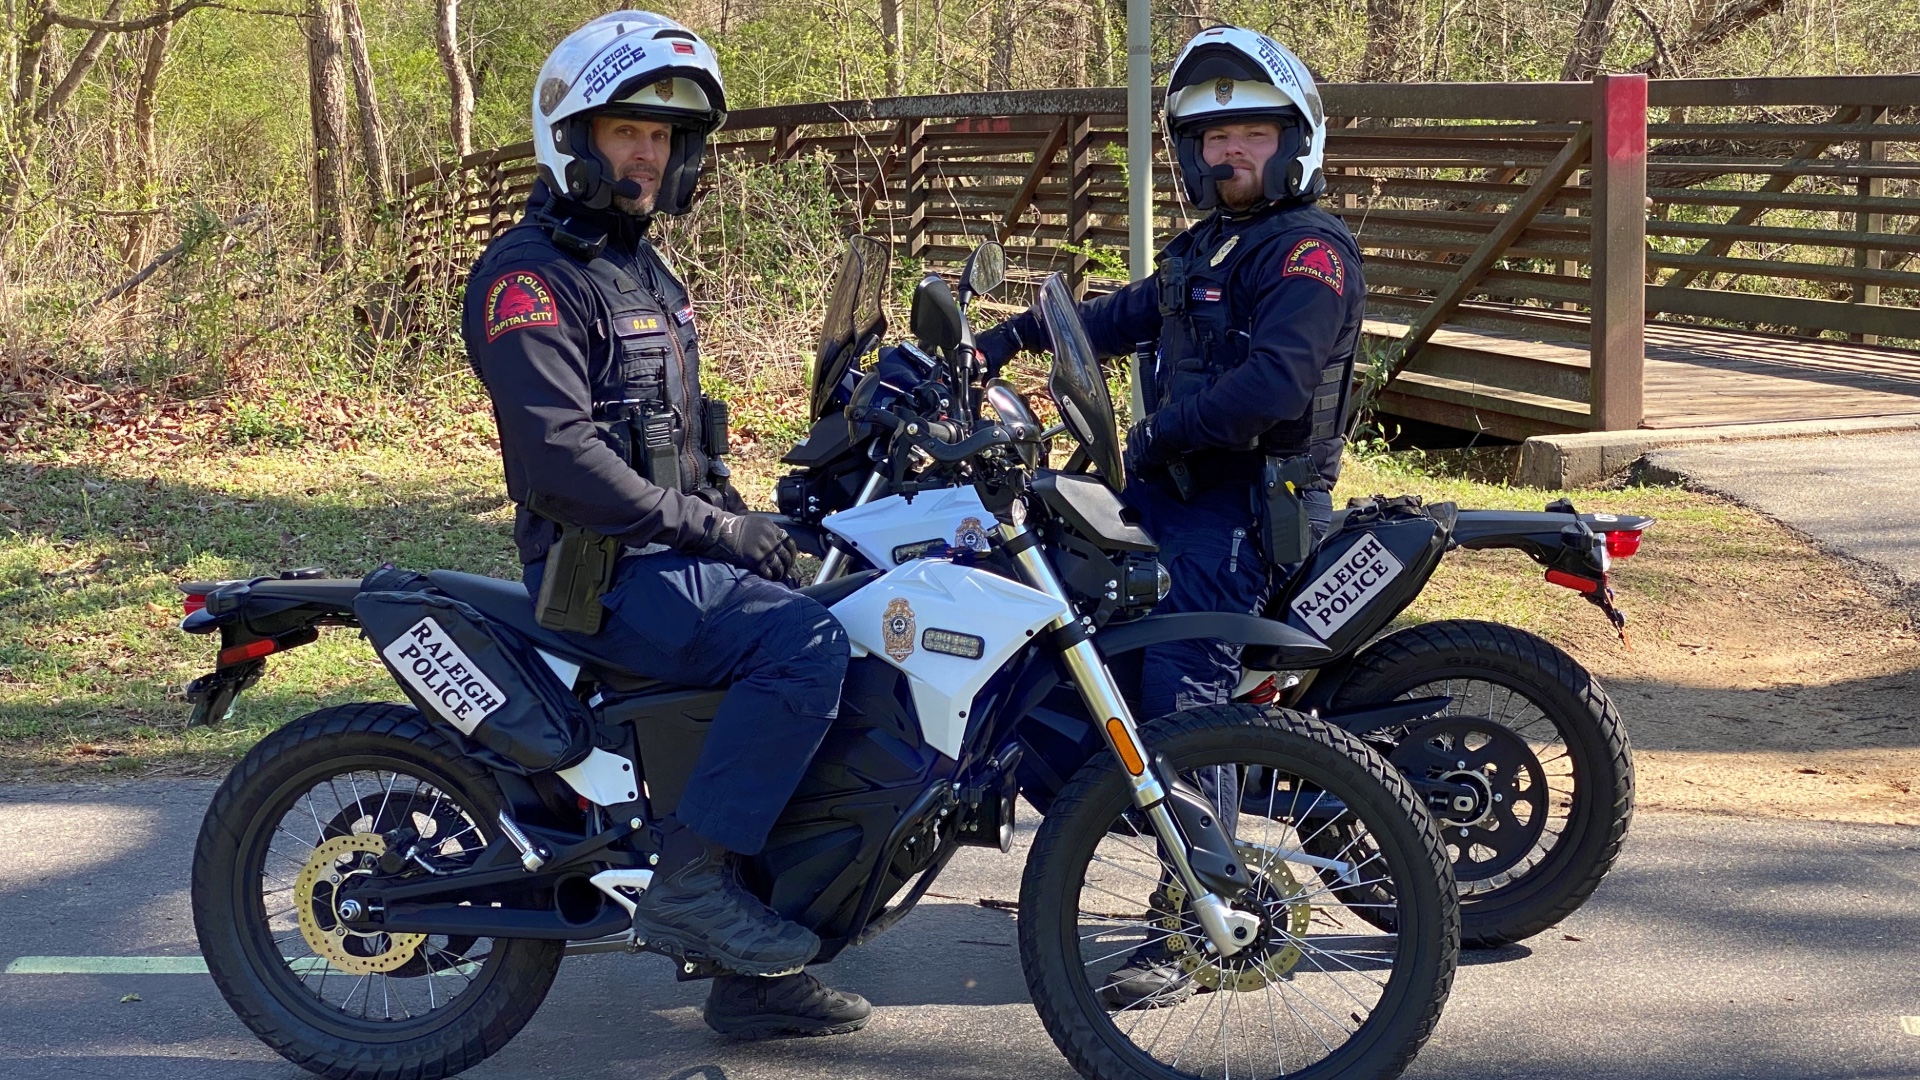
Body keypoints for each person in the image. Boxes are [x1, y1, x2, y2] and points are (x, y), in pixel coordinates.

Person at [462, 11, 868, 1038]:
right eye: (625, 132)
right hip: (609, 573)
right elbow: (558, 459)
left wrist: (754, 512)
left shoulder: (639, 266)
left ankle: (754, 971)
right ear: (576, 137)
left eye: (662, 137)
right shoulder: (530, 277)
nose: (646, 153)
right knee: (804, 643)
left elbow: (678, 438)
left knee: (853, 612)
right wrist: (717, 534)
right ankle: (692, 886)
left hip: (668, 551)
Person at [974, 26, 1365, 1007]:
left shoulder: (1306, 253)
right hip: (1174, 495)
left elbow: (1275, 388)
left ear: (1295, 138)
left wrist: (1157, 437)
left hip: (1240, 511)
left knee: (1179, 698)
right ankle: (1087, 803)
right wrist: (992, 345)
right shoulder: (1211, 246)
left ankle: (1200, 917)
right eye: (1212, 138)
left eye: (1252, 134)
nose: (1231, 153)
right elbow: (1114, 318)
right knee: (1034, 614)